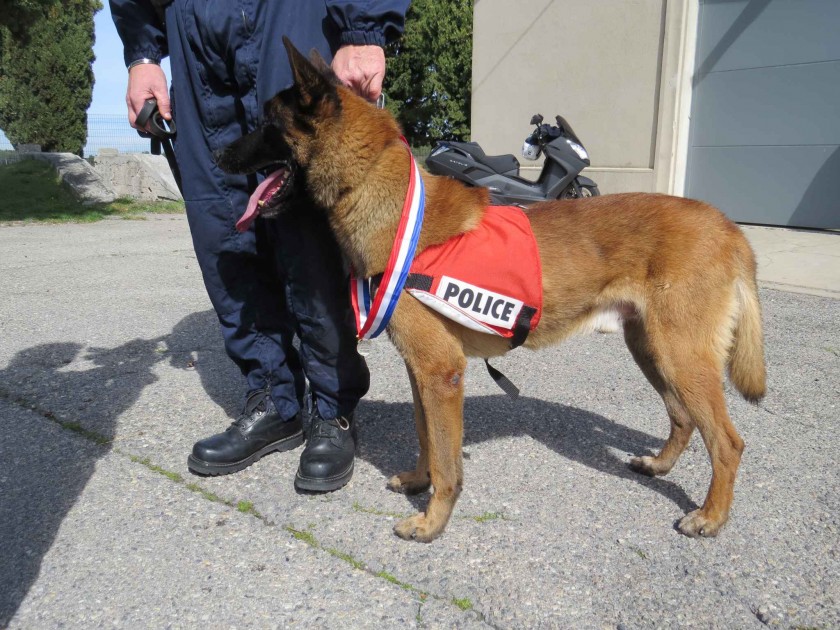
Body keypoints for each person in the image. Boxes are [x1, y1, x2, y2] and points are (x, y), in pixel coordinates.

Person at [111, 0, 410, 491]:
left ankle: (333, 407)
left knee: (309, 224)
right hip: (191, 25)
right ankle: (274, 400)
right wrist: (143, 52)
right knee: (223, 221)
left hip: (290, 11)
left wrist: (364, 27)